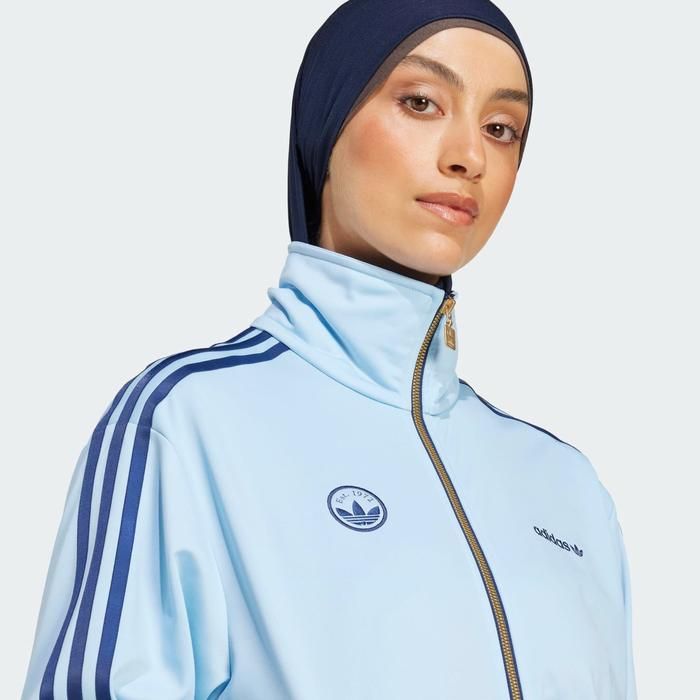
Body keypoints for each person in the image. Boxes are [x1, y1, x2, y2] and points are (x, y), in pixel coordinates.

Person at [21, 1, 638, 698]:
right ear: (329, 120)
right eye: (421, 102)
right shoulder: (187, 425)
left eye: (501, 128)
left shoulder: (568, 491)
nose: (468, 157)